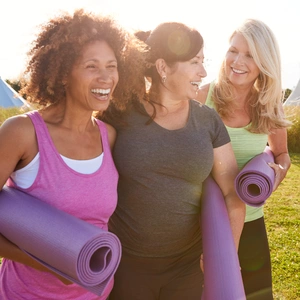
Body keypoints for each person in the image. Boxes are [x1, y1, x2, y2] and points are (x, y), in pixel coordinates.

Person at [0, 9, 147, 300]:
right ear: (64, 74)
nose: (106, 77)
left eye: (112, 66)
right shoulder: (22, 132)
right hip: (26, 294)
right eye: (92, 66)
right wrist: (53, 262)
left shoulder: (110, 137)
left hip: (95, 294)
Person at [101, 22, 246, 300]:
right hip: (126, 263)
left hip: (187, 266)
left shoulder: (207, 120)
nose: (203, 72)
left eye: (203, 62)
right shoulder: (119, 114)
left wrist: (226, 254)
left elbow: (232, 193)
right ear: (163, 67)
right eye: (194, 62)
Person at [196, 19, 291, 300]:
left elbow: (281, 153)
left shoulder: (268, 104)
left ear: (264, 62)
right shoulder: (203, 96)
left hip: (251, 223)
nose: (237, 61)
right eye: (233, 50)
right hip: (202, 223)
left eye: (249, 55)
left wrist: (278, 173)